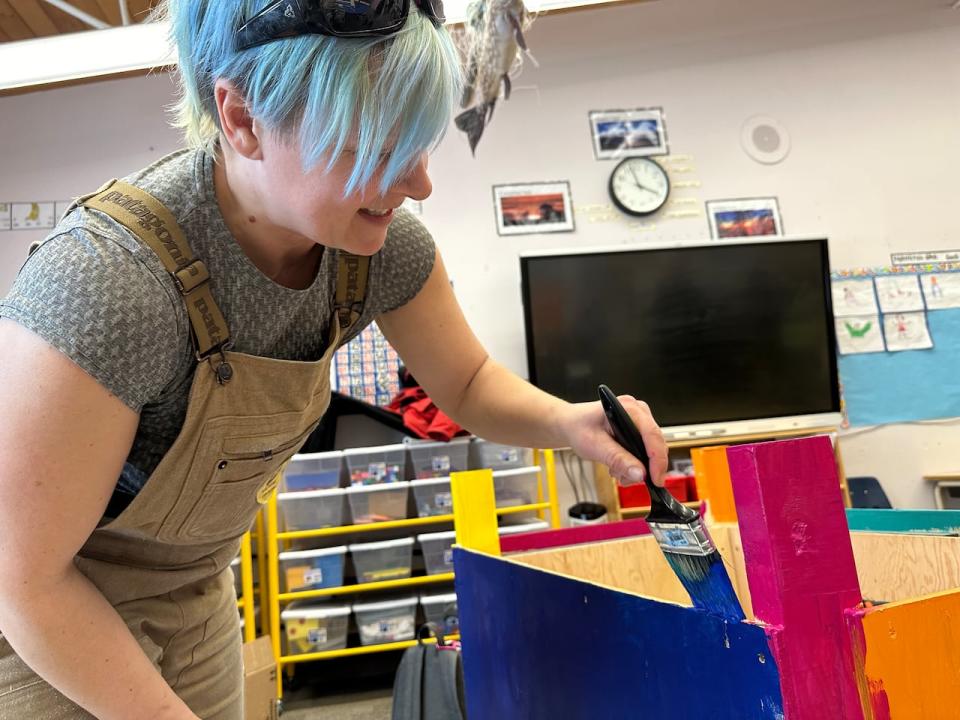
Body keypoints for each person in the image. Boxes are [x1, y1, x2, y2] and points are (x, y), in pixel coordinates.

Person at [0, 1, 668, 718]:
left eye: (420, 143)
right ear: (245, 120)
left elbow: (468, 384)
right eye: (379, 147)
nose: (420, 184)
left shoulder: (378, 250)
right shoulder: (108, 282)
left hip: (195, 592)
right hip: (50, 621)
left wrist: (570, 424)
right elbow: (24, 580)